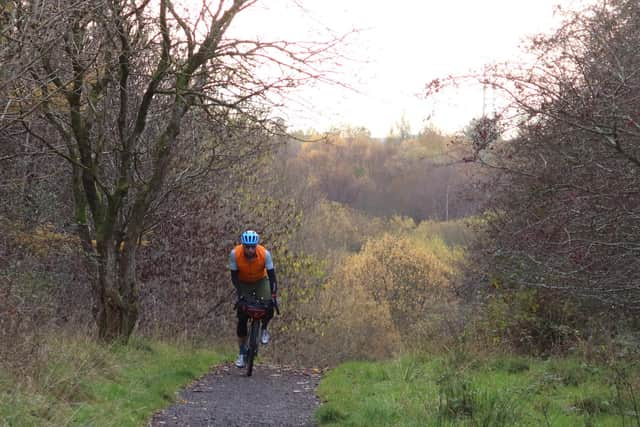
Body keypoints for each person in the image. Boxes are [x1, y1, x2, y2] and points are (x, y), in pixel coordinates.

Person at [229, 230, 278, 368]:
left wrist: (273, 294)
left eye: (252, 247)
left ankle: (264, 329)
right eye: (247, 247)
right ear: (243, 245)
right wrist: (240, 293)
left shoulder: (265, 254)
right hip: (243, 282)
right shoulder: (235, 254)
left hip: (261, 280)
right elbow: (234, 276)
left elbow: (272, 276)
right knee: (242, 315)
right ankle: (241, 353)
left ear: (256, 245)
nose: (250, 250)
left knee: (269, 304)